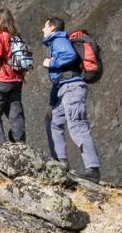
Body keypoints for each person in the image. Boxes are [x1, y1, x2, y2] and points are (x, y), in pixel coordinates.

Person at [42, 16, 101, 182]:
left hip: (72, 89)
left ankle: (93, 170)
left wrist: (51, 62)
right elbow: (58, 79)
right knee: (52, 121)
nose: (43, 29)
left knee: (77, 126)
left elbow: (69, 56)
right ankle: (60, 163)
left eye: (45, 26)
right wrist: (52, 105)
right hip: (64, 89)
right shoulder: (55, 42)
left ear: (52, 27)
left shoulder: (59, 40)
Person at [0, 8, 26, 144]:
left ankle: (1, 148)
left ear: (0, 21)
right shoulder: (15, 35)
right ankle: (20, 145)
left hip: (1, 80)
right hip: (17, 80)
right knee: (15, 114)